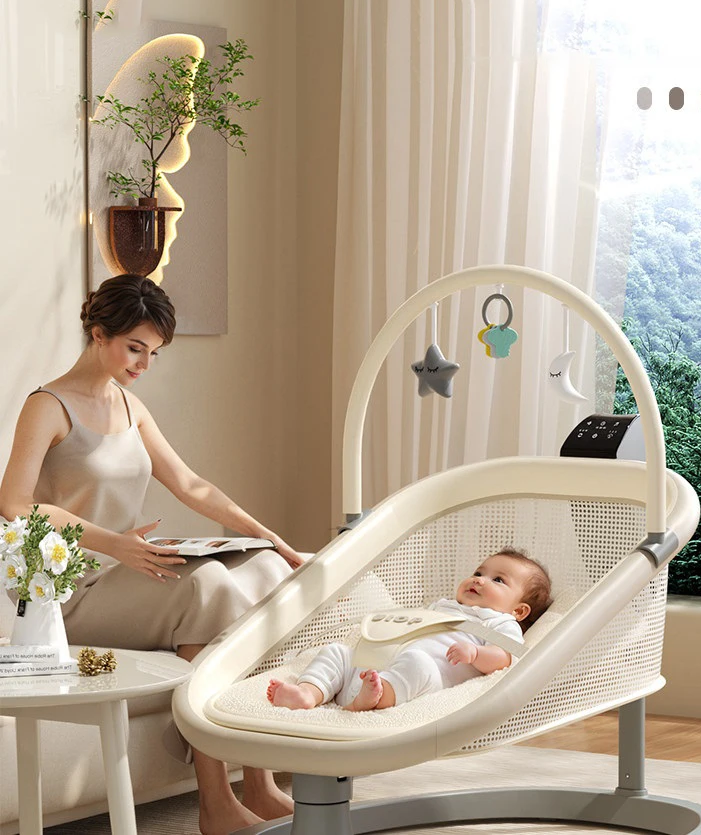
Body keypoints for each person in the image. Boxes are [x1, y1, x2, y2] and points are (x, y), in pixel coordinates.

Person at [0, 274, 303, 835]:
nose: (145, 363)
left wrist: (273, 540)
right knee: (206, 585)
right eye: (135, 348)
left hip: (131, 578)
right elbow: (15, 504)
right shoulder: (47, 406)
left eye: (154, 353)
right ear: (99, 334)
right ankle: (216, 803)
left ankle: (258, 786)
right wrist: (114, 543)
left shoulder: (130, 407)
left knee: (261, 568)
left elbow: (191, 486)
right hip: (67, 598)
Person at [267, 548, 551, 713]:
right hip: (373, 666)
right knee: (337, 652)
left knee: (417, 663)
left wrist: (476, 654)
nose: (479, 580)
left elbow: (505, 657)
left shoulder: (501, 623)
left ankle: (373, 700)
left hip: (419, 677)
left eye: (498, 580)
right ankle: (309, 693)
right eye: (478, 573)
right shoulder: (443, 605)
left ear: (519, 611)